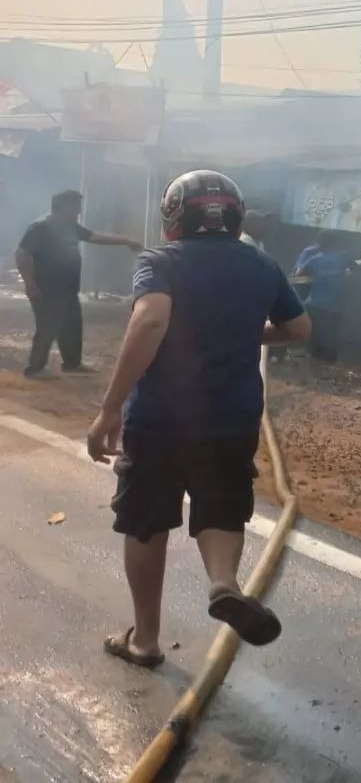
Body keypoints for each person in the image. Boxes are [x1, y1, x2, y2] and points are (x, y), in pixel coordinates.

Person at [87, 171, 311, 667]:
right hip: (231, 418)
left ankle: (144, 642)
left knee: (146, 522)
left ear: (174, 216)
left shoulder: (161, 261)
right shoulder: (261, 264)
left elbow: (150, 319)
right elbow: (298, 329)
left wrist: (108, 408)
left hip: (161, 418)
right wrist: (243, 333)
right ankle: (223, 585)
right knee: (221, 507)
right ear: (234, 216)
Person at [14, 189, 141, 377]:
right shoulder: (41, 227)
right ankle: (35, 368)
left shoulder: (70, 226)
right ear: (64, 206)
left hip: (67, 289)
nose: (79, 211)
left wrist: (126, 241)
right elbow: (22, 254)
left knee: (72, 325)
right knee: (47, 327)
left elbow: (96, 237)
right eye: (76, 206)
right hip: (46, 289)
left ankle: (72, 363)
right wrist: (30, 283)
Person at [291, 230, 361, 363]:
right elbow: (357, 266)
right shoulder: (342, 257)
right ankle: (326, 364)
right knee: (331, 343)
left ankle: (314, 364)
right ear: (335, 243)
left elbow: (298, 274)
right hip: (334, 308)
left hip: (315, 305)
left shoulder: (314, 259)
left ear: (320, 244)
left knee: (315, 340)